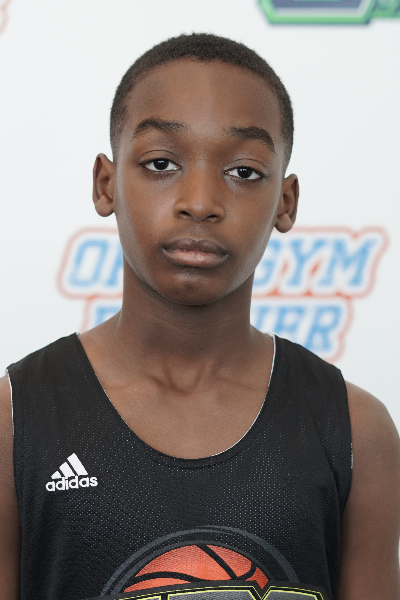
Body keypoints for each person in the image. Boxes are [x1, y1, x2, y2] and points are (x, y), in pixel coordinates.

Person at [0, 33, 399, 600]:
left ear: (286, 202)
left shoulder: (357, 431)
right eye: (161, 163)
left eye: (244, 172)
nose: (200, 202)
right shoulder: (15, 420)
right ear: (106, 184)